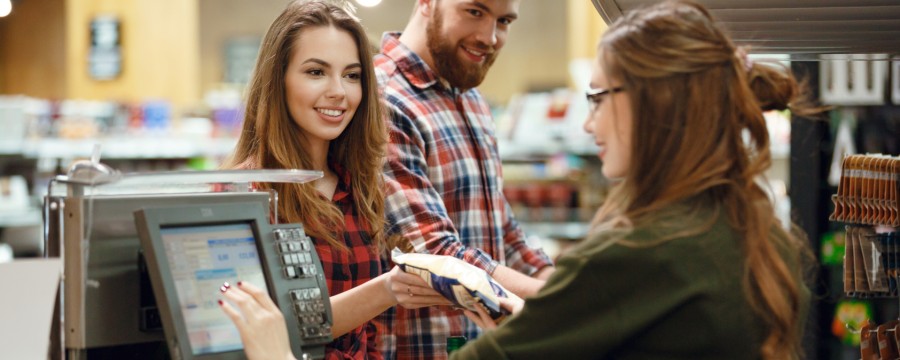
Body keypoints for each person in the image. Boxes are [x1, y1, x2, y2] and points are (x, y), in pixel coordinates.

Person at [456, 1, 817, 359]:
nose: (587, 123)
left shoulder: (634, 254)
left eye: (597, 98)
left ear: (654, 102)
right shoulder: (763, 232)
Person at [216, 1, 451, 359]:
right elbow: (252, 328)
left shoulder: (362, 187)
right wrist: (388, 288)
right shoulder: (242, 194)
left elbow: (368, 336)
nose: (339, 91)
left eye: (352, 75)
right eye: (316, 72)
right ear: (277, 79)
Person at [373, 0, 555, 357]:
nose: (489, 37)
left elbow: (503, 230)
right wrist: (558, 300)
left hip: (487, 345)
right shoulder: (384, 99)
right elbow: (434, 255)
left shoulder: (472, 99)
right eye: (475, 11)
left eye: (503, 21)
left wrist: (553, 280)